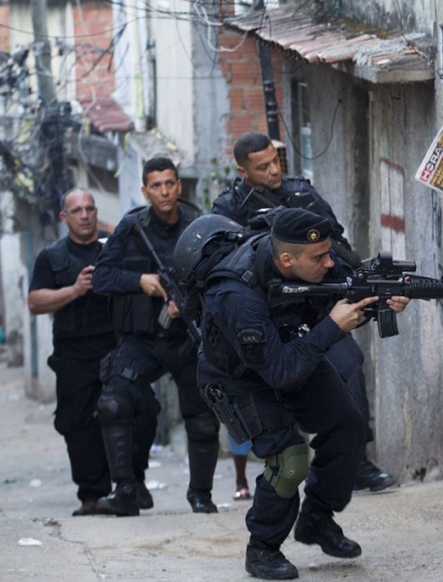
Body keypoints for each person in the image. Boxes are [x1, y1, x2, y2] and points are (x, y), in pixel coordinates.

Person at [190, 208, 410, 579]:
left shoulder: (320, 264)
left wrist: (382, 301)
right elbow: (279, 372)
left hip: (292, 350)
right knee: (289, 459)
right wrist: (332, 327)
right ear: (287, 260)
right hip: (238, 376)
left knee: (348, 426)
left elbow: (348, 291)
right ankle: (262, 548)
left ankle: (316, 519)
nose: (330, 262)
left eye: (328, 253)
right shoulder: (236, 293)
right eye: (319, 258)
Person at [212, 131, 397, 492]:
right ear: (243, 171)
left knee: (349, 364)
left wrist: (368, 287)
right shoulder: (229, 208)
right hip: (265, 315)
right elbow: (226, 266)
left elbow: (337, 245)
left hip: (315, 306)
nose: (273, 170)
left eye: (275, 161)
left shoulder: (302, 193)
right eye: (262, 166)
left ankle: (356, 461)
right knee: (274, 380)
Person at [92, 157, 220, 516]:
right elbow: (101, 278)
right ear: (145, 191)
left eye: (169, 184)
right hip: (143, 340)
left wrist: (190, 303)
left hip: (188, 339)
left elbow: (221, 279)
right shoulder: (132, 227)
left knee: (203, 418)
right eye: (156, 186)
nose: (164, 192)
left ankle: (201, 495)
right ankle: (126, 491)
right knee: (113, 402)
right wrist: (139, 281)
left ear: (179, 186)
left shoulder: (199, 227)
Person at [27, 188, 114, 516]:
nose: (85, 215)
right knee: (77, 425)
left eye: (89, 209)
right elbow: (35, 302)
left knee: (132, 412)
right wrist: (75, 290)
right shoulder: (51, 256)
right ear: (65, 217)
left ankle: (128, 487)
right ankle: (92, 495)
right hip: (73, 355)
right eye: (77, 211)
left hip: (114, 349)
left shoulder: (113, 247)